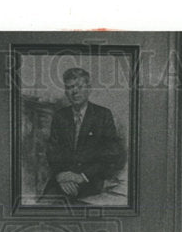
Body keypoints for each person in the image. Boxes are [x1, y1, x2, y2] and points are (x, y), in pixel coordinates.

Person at [40, 67, 124, 203]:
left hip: (90, 179)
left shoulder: (103, 115)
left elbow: (112, 153)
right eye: (69, 87)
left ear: (89, 88)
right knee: (43, 205)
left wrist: (82, 176)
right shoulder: (60, 116)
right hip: (62, 180)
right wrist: (60, 175)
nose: (75, 91)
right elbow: (52, 152)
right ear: (66, 91)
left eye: (79, 86)